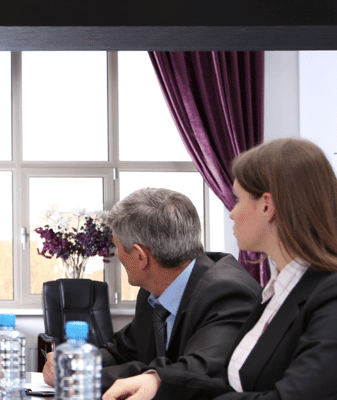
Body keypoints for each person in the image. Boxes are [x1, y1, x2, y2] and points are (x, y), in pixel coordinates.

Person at [104, 138, 337, 400]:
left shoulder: (329, 295)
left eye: (238, 199)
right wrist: (159, 382)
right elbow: (238, 384)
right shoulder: (279, 291)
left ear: (267, 206)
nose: (232, 212)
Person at [42, 188, 261, 400]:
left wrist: (80, 377)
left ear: (140, 257)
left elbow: (197, 371)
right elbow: (123, 350)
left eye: (117, 247)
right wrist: (73, 363)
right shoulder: (154, 290)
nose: (116, 255)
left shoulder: (228, 292)